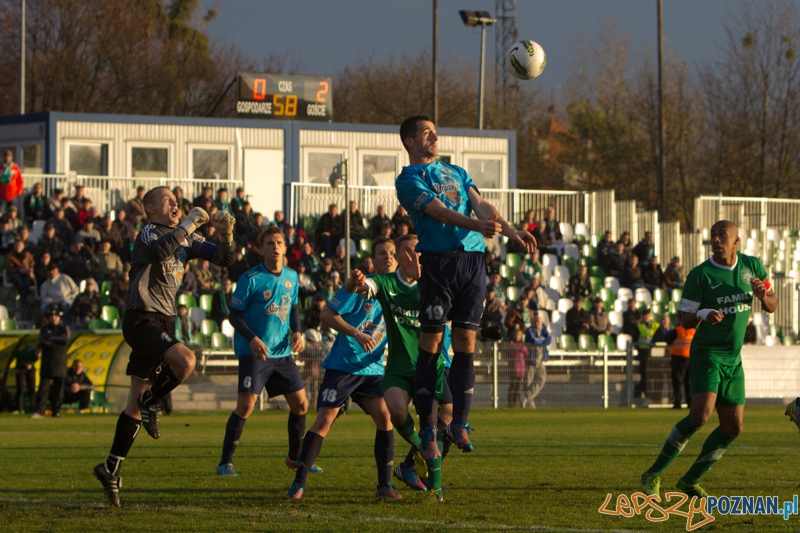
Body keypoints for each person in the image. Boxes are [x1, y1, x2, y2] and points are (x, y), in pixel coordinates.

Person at [396, 115, 536, 462]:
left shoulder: (455, 171)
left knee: (466, 342)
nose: (435, 137)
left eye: (435, 131)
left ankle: (459, 422)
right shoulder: (410, 178)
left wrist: (510, 231)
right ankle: (427, 427)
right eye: (426, 133)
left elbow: (481, 204)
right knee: (431, 344)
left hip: (472, 263)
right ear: (410, 142)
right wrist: (478, 224)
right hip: (440, 262)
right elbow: (438, 211)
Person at [92, 187, 236, 507]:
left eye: (176, 200)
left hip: (164, 321)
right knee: (185, 361)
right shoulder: (148, 233)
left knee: (133, 406)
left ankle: (111, 467)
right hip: (142, 319)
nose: (175, 203)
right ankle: (151, 401)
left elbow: (225, 259)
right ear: (150, 208)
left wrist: (226, 234)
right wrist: (187, 225)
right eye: (168, 200)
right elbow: (159, 252)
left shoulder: (185, 237)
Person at [641, 220, 776, 498]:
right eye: (713, 235)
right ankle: (653, 473)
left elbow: (773, 304)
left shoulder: (752, 267)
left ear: (736, 240)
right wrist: (703, 313)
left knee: (733, 427)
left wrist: (763, 297)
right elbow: (685, 318)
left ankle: (689, 481)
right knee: (700, 417)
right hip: (707, 354)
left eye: (722, 236)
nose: (716, 240)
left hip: (733, 359)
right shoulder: (700, 275)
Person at [285, 236, 402, 500]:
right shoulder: (362, 287)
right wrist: (356, 334)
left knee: (385, 418)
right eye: (382, 253)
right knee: (325, 421)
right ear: (374, 259)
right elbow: (326, 315)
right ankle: (299, 483)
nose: (389, 257)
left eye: (392, 253)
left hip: (371, 369)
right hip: (344, 366)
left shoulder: (401, 290)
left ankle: (384, 486)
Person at [344, 234, 453, 502]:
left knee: (444, 419)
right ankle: (419, 451)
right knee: (395, 409)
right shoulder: (387, 282)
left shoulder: (433, 280)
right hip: (400, 367)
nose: (411, 255)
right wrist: (357, 283)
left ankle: (432, 485)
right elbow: (366, 287)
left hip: (432, 366)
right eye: (406, 251)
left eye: (416, 250)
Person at [217, 227, 310, 479]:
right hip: (255, 353)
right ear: (262, 249)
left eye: (279, 242)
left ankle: (295, 458)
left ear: (285, 247)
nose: (275, 246)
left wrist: (298, 332)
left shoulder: (291, 276)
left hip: (281, 352)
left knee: (301, 405)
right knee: (246, 407)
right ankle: (225, 463)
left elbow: (293, 309)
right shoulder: (251, 278)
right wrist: (253, 339)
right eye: (270, 243)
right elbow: (234, 315)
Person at [30, 306, 71, 419]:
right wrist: (55, 341)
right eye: (52, 316)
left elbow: (65, 339)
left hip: (60, 363)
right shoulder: (44, 329)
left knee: (58, 390)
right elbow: (43, 341)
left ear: (59, 317)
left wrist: (50, 339)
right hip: (47, 363)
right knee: (43, 389)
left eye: (56, 316)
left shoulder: (64, 328)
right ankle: (39, 411)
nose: (54, 318)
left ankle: (56, 411)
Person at [664, 315, 694, 409]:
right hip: (690, 359)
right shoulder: (693, 331)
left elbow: (667, 340)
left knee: (677, 381)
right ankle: (690, 403)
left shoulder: (677, 330)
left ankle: (677, 402)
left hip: (678, 359)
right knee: (688, 382)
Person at [523, 311, 550, 408]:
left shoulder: (543, 330)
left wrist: (540, 340)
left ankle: (527, 398)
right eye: (536, 321)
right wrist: (542, 340)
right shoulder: (529, 330)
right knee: (528, 382)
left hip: (540, 360)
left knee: (541, 379)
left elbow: (549, 340)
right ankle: (528, 402)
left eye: (539, 321)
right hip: (531, 360)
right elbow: (533, 340)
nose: (537, 323)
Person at [506, 327, 529, 408]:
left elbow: (526, 354)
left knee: (517, 387)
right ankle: (510, 402)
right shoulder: (510, 345)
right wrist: (514, 348)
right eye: (515, 334)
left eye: (519, 334)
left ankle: (515, 403)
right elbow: (507, 354)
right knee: (512, 387)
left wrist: (521, 348)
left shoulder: (523, 345)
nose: (517, 336)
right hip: (513, 369)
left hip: (521, 370)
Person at [14, 345, 39, 413]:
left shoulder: (40, 355)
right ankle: (20, 408)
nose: (39, 355)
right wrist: (25, 363)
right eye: (38, 353)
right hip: (21, 368)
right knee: (21, 388)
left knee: (32, 388)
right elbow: (16, 353)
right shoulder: (28, 352)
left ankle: (33, 407)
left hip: (30, 368)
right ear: (36, 350)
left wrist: (30, 365)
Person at [0, 150, 23, 214]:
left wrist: (19, 191)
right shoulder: (0, 167)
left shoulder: (15, 167)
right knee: (1, 212)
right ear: (3, 157)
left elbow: (20, 180)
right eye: (6, 156)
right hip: (1, 194)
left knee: (12, 212)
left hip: (13, 194)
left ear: (11, 158)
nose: (7, 158)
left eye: (9, 156)